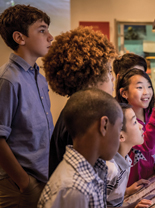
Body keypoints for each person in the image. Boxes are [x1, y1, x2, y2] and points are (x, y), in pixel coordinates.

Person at [0, 5, 54, 207]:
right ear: (19, 38)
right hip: (19, 186)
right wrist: (24, 183)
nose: (51, 37)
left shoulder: (39, 78)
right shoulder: (8, 79)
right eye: (42, 30)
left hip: (41, 179)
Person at [45, 26, 116, 177]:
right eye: (109, 71)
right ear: (91, 75)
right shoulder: (83, 118)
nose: (113, 78)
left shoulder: (75, 109)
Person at [38, 88, 123, 208]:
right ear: (104, 125)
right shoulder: (74, 189)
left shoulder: (88, 173)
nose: (120, 136)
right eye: (119, 128)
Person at [116, 68, 155, 186]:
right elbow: (146, 144)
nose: (146, 92)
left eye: (149, 86)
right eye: (140, 87)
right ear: (124, 93)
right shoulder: (123, 121)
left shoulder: (154, 115)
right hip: (131, 188)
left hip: (154, 183)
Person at [106, 103, 152, 208]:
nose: (141, 126)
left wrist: (127, 191)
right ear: (121, 136)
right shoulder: (110, 169)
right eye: (135, 122)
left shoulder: (125, 159)